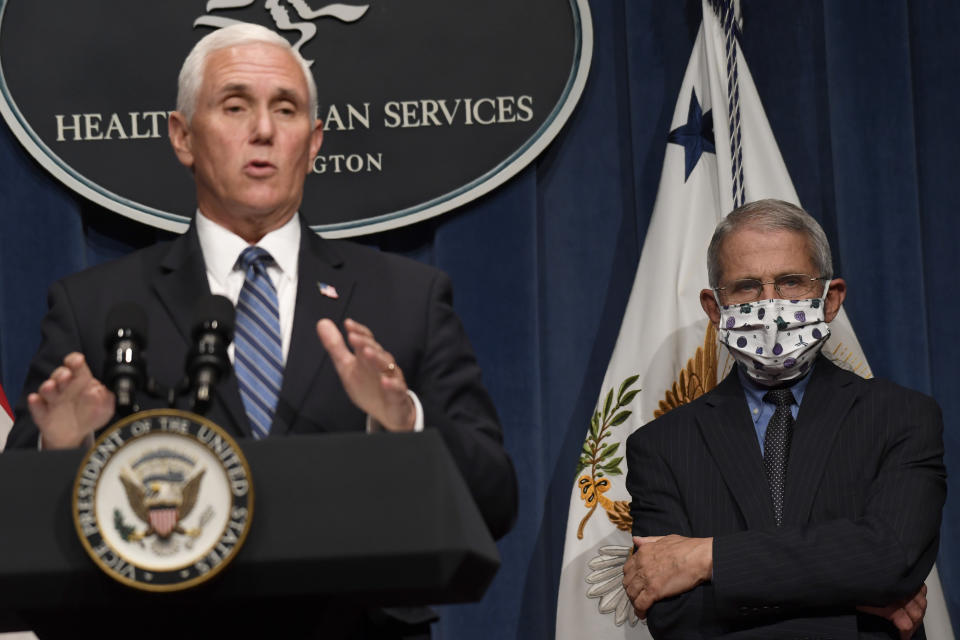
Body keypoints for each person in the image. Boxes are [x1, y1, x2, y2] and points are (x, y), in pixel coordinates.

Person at [6, 23, 516, 637]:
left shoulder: (404, 299)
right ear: (182, 136)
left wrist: (405, 421)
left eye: (286, 109)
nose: (265, 131)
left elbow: (495, 499)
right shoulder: (97, 309)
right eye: (235, 106)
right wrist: (61, 454)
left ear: (315, 140)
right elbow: (21, 535)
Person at [622, 199, 945, 638]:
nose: (770, 305)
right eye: (747, 287)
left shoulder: (901, 417)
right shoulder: (662, 445)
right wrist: (852, 596)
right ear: (715, 309)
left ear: (830, 299)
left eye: (791, 282)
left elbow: (890, 560)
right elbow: (675, 617)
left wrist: (706, 558)